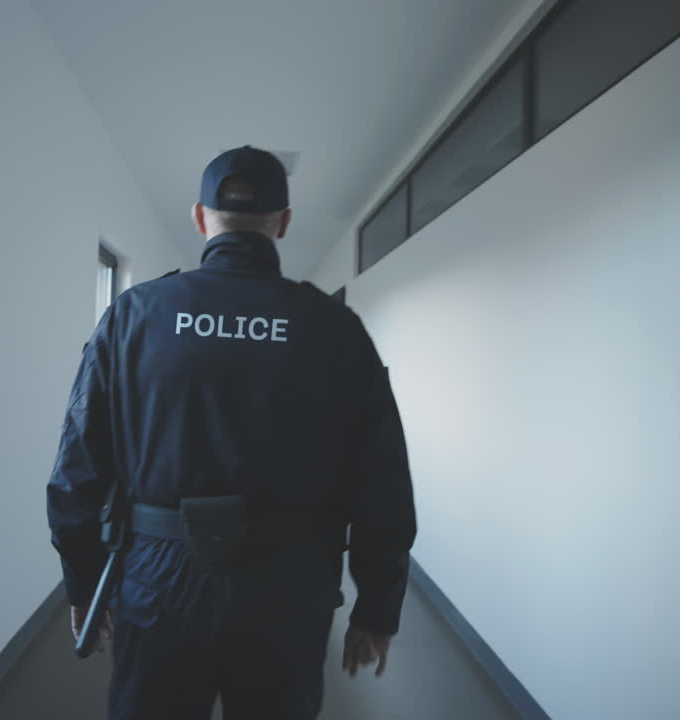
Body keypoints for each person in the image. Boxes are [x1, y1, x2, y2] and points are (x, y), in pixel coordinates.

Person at [47, 145, 416, 719]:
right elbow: (383, 480)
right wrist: (377, 608)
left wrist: (83, 583)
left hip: (158, 582)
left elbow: (77, 469)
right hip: (289, 586)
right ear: (284, 224)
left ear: (200, 217)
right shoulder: (336, 329)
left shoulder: (134, 316)